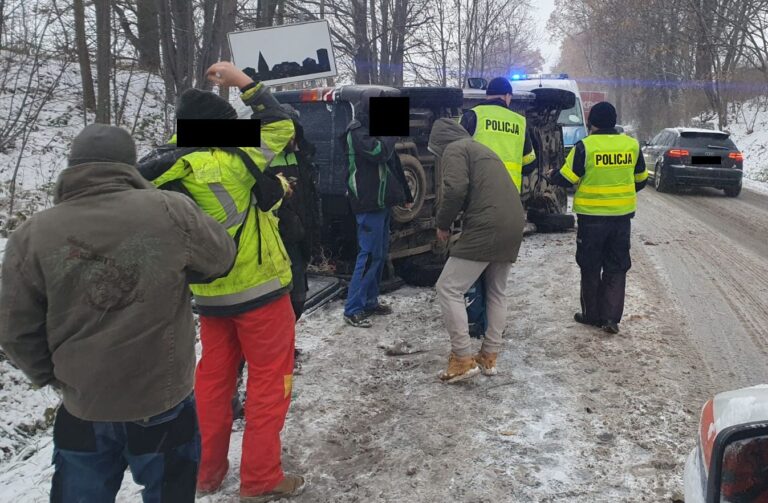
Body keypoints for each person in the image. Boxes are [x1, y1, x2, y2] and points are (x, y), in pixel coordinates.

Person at [0, 124, 237, 502]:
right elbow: (222, 258)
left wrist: (56, 376)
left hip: (84, 405)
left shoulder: (32, 234)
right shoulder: (170, 210)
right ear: (130, 166)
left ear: (72, 167)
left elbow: (14, 330)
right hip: (163, 401)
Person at [138, 62, 304, 502]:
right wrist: (244, 83)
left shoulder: (163, 165)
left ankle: (204, 473)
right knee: (270, 383)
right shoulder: (232, 157)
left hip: (208, 295)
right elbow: (281, 122)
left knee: (212, 384)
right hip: (261, 292)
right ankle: (261, 477)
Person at [428, 118, 526, 383]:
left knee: (448, 287)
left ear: (439, 143)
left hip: (488, 224)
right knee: (496, 290)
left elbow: (455, 187)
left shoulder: (454, 149)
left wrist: (443, 223)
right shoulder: (480, 148)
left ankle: (462, 358)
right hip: (514, 220)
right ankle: (489, 355)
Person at [547, 101, 648, 334]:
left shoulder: (585, 146)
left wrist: (552, 175)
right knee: (616, 266)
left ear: (591, 122)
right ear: (614, 122)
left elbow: (567, 177)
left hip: (591, 220)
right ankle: (611, 318)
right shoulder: (631, 146)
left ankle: (591, 315)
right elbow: (641, 179)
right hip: (621, 219)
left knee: (590, 265)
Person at [342, 90, 413, 328]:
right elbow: (379, 153)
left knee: (380, 254)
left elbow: (394, 165)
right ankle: (353, 308)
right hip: (367, 201)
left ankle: (370, 301)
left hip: (381, 202)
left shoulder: (376, 131)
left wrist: (406, 195)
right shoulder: (357, 131)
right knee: (369, 254)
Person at [269, 105, 319, 321]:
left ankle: (286, 343)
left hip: (300, 235)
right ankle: (279, 347)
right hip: (276, 238)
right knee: (283, 296)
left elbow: (309, 196)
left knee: (297, 296)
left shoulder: (301, 155)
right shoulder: (262, 155)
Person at [460, 76, 537, 192]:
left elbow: (456, 155)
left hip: (479, 194)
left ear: (487, 96)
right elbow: (529, 164)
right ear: (507, 96)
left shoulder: (472, 116)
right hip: (510, 195)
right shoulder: (520, 122)